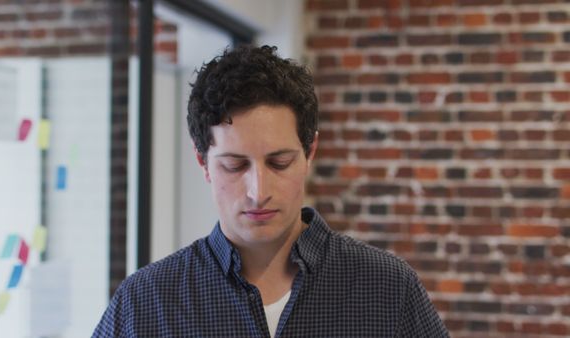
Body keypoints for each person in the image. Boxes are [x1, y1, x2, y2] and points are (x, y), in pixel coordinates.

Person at [92, 45, 449, 337]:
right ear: (203, 163)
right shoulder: (145, 302)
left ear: (310, 152)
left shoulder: (389, 289)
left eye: (279, 163)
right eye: (235, 166)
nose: (258, 191)